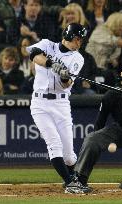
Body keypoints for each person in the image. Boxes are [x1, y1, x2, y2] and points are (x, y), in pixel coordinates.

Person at [26, 22, 90, 194]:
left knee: (69, 155)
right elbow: (33, 54)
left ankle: (73, 179)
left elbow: (66, 85)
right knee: (54, 143)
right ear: (71, 36)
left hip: (61, 103)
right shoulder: (47, 44)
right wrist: (51, 64)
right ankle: (70, 183)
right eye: (78, 38)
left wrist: (63, 76)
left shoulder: (77, 58)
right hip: (40, 104)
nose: (80, 42)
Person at [67, 66, 122, 193]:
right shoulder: (112, 95)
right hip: (120, 131)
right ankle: (79, 178)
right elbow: (100, 122)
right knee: (92, 139)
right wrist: (97, 139)